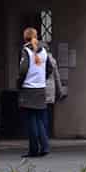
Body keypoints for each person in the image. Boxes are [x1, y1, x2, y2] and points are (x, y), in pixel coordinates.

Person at [17, 26, 60, 158]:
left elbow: (23, 69)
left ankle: (33, 149)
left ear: (25, 38)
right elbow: (49, 68)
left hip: (29, 89)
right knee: (40, 120)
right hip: (41, 89)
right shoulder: (44, 52)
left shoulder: (26, 51)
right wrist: (42, 78)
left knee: (31, 121)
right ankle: (45, 146)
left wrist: (20, 82)